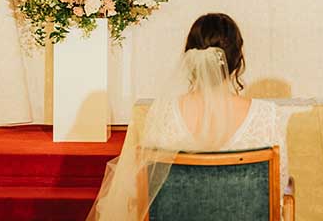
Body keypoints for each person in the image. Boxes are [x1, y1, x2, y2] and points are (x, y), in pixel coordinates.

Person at [87, 13, 292, 220]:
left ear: (189, 59)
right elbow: (278, 187)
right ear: (237, 60)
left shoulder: (162, 113)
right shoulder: (267, 115)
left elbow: (146, 191)